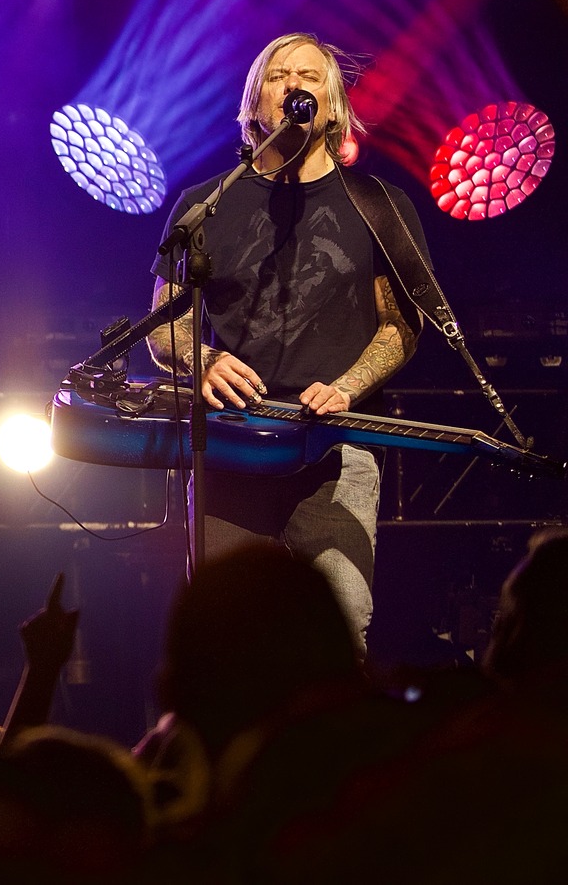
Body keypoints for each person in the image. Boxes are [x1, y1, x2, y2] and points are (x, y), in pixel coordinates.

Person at [147, 32, 427, 651]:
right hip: (230, 440)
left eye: (310, 75)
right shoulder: (203, 207)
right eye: (278, 76)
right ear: (256, 103)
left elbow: (402, 326)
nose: (294, 84)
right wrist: (204, 358)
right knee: (225, 635)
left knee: (340, 624)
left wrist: (350, 387)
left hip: (335, 446)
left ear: (333, 104)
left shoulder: (380, 206)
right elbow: (165, 325)